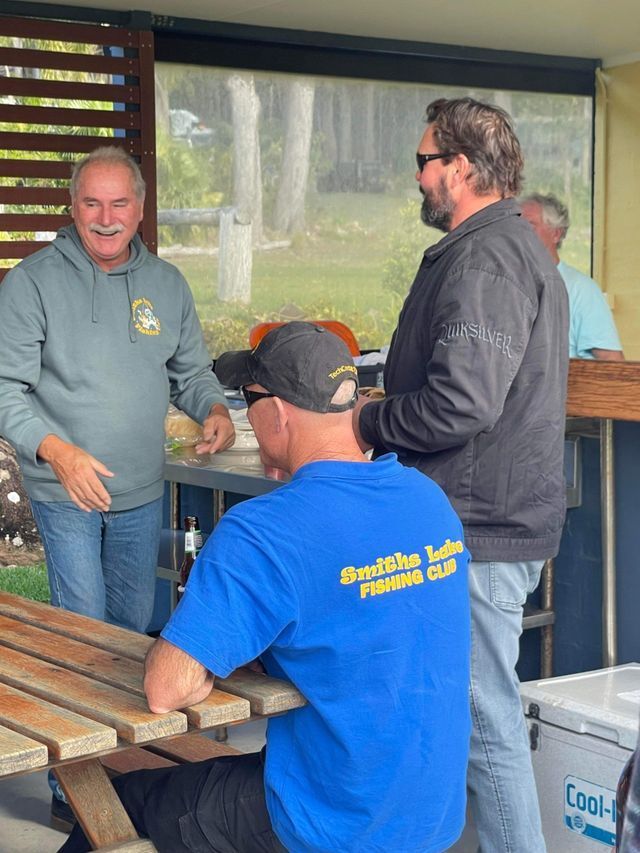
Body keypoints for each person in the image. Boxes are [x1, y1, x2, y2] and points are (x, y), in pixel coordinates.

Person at [59, 321, 472, 853]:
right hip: (429, 813)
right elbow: (363, 616)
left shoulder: (264, 529)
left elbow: (168, 689)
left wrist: (206, 661)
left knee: (119, 801)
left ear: (275, 412)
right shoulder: (427, 499)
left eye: (245, 399)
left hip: (328, 821)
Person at [353, 98, 569, 853]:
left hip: (483, 529)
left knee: (486, 723)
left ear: (462, 169)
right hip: (481, 520)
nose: (416, 177)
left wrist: (367, 421)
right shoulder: (496, 247)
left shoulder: (487, 257)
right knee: (465, 714)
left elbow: (462, 402)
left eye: (423, 162)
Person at [0, 146, 235, 635]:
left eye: (119, 204)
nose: (106, 219)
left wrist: (215, 409)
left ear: (141, 208)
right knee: (85, 629)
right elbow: (5, 389)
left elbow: (190, 373)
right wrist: (59, 454)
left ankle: (118, 715)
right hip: (66, 488)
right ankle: (75, 715)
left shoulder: (167, 285)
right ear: (73, 207)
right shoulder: (31, 284)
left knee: (130, 626)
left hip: (142, 490)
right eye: (92, 204)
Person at [520, 192, 624, 360]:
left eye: (530, 225)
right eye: (516, 226)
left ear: (556, 234)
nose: (519, 233)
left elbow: (612, 363)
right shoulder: (508, 284)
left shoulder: (582, 289)